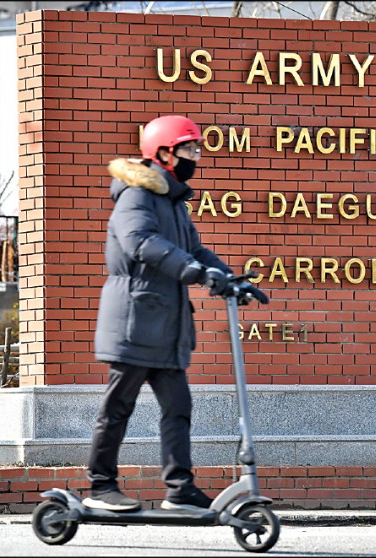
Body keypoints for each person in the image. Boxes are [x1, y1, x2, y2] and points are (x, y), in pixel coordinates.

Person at [85, 115, 269, 512]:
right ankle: (101, 486)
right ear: (165, 153)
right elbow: (140, 242)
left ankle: (180, 490)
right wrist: (196, 272)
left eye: (197, 149)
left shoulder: (173, 203)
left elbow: (196, 252)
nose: (196, 156)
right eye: (190, 149)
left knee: (178, 407)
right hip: (135, 318)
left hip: (165, 324)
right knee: (118, 406)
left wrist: (230, 279)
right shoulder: (136, 195)